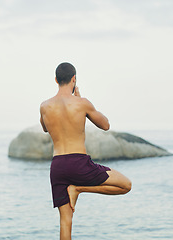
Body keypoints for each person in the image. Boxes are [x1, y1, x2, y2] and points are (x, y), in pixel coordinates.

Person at [40, 62, 132, 240]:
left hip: (57, 166)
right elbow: (105, 125)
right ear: (74, 79)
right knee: (126, 185)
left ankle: (76, 189)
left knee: (65, 222)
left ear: (56, 80)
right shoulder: (82, 103)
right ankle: (79, 188)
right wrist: (82, 102)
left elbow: (44, 127)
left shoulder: (44, 106)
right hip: (79, 163)